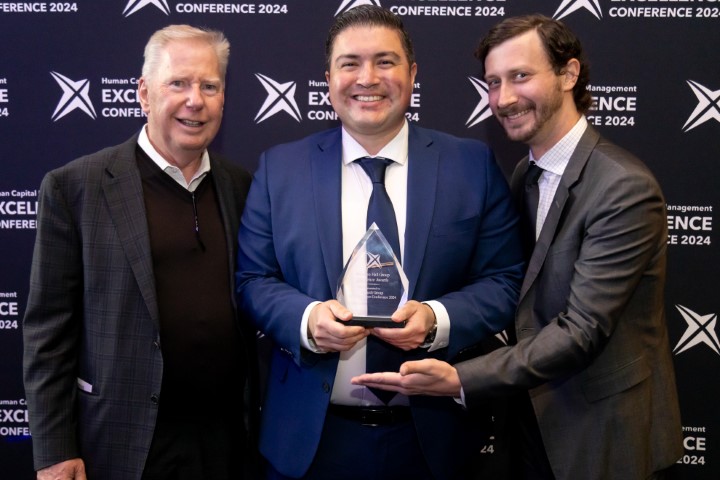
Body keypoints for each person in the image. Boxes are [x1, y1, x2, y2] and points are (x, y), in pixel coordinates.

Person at [352, 14, 684, 480]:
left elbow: (582, 330)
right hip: (528, 421)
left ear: (568, 74)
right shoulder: (524, 175)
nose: (504, 98)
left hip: (603, 434)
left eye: (521, 76)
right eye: (493, 83)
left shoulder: (622, 186)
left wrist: (461, 378)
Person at [235, 5, 524, 480]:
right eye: (350, 63)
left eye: (385, 62)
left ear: (412, 74)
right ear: (328, 79)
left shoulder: (471, 165)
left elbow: (505, 281)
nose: (367, 78)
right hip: (311, 442)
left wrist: (436, 319)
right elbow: (252, 280)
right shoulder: (280, 169)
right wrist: (307, 321)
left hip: (435, 440)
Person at [23, 24, 257, 480]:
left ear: (224, 98)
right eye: (178, 83)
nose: (195, 100)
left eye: (209, 86)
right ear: (144, 95)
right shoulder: (75, 188)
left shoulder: (242, 187)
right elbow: (47, 333)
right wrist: (54, 450)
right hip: (120, 444)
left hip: (226, 443)